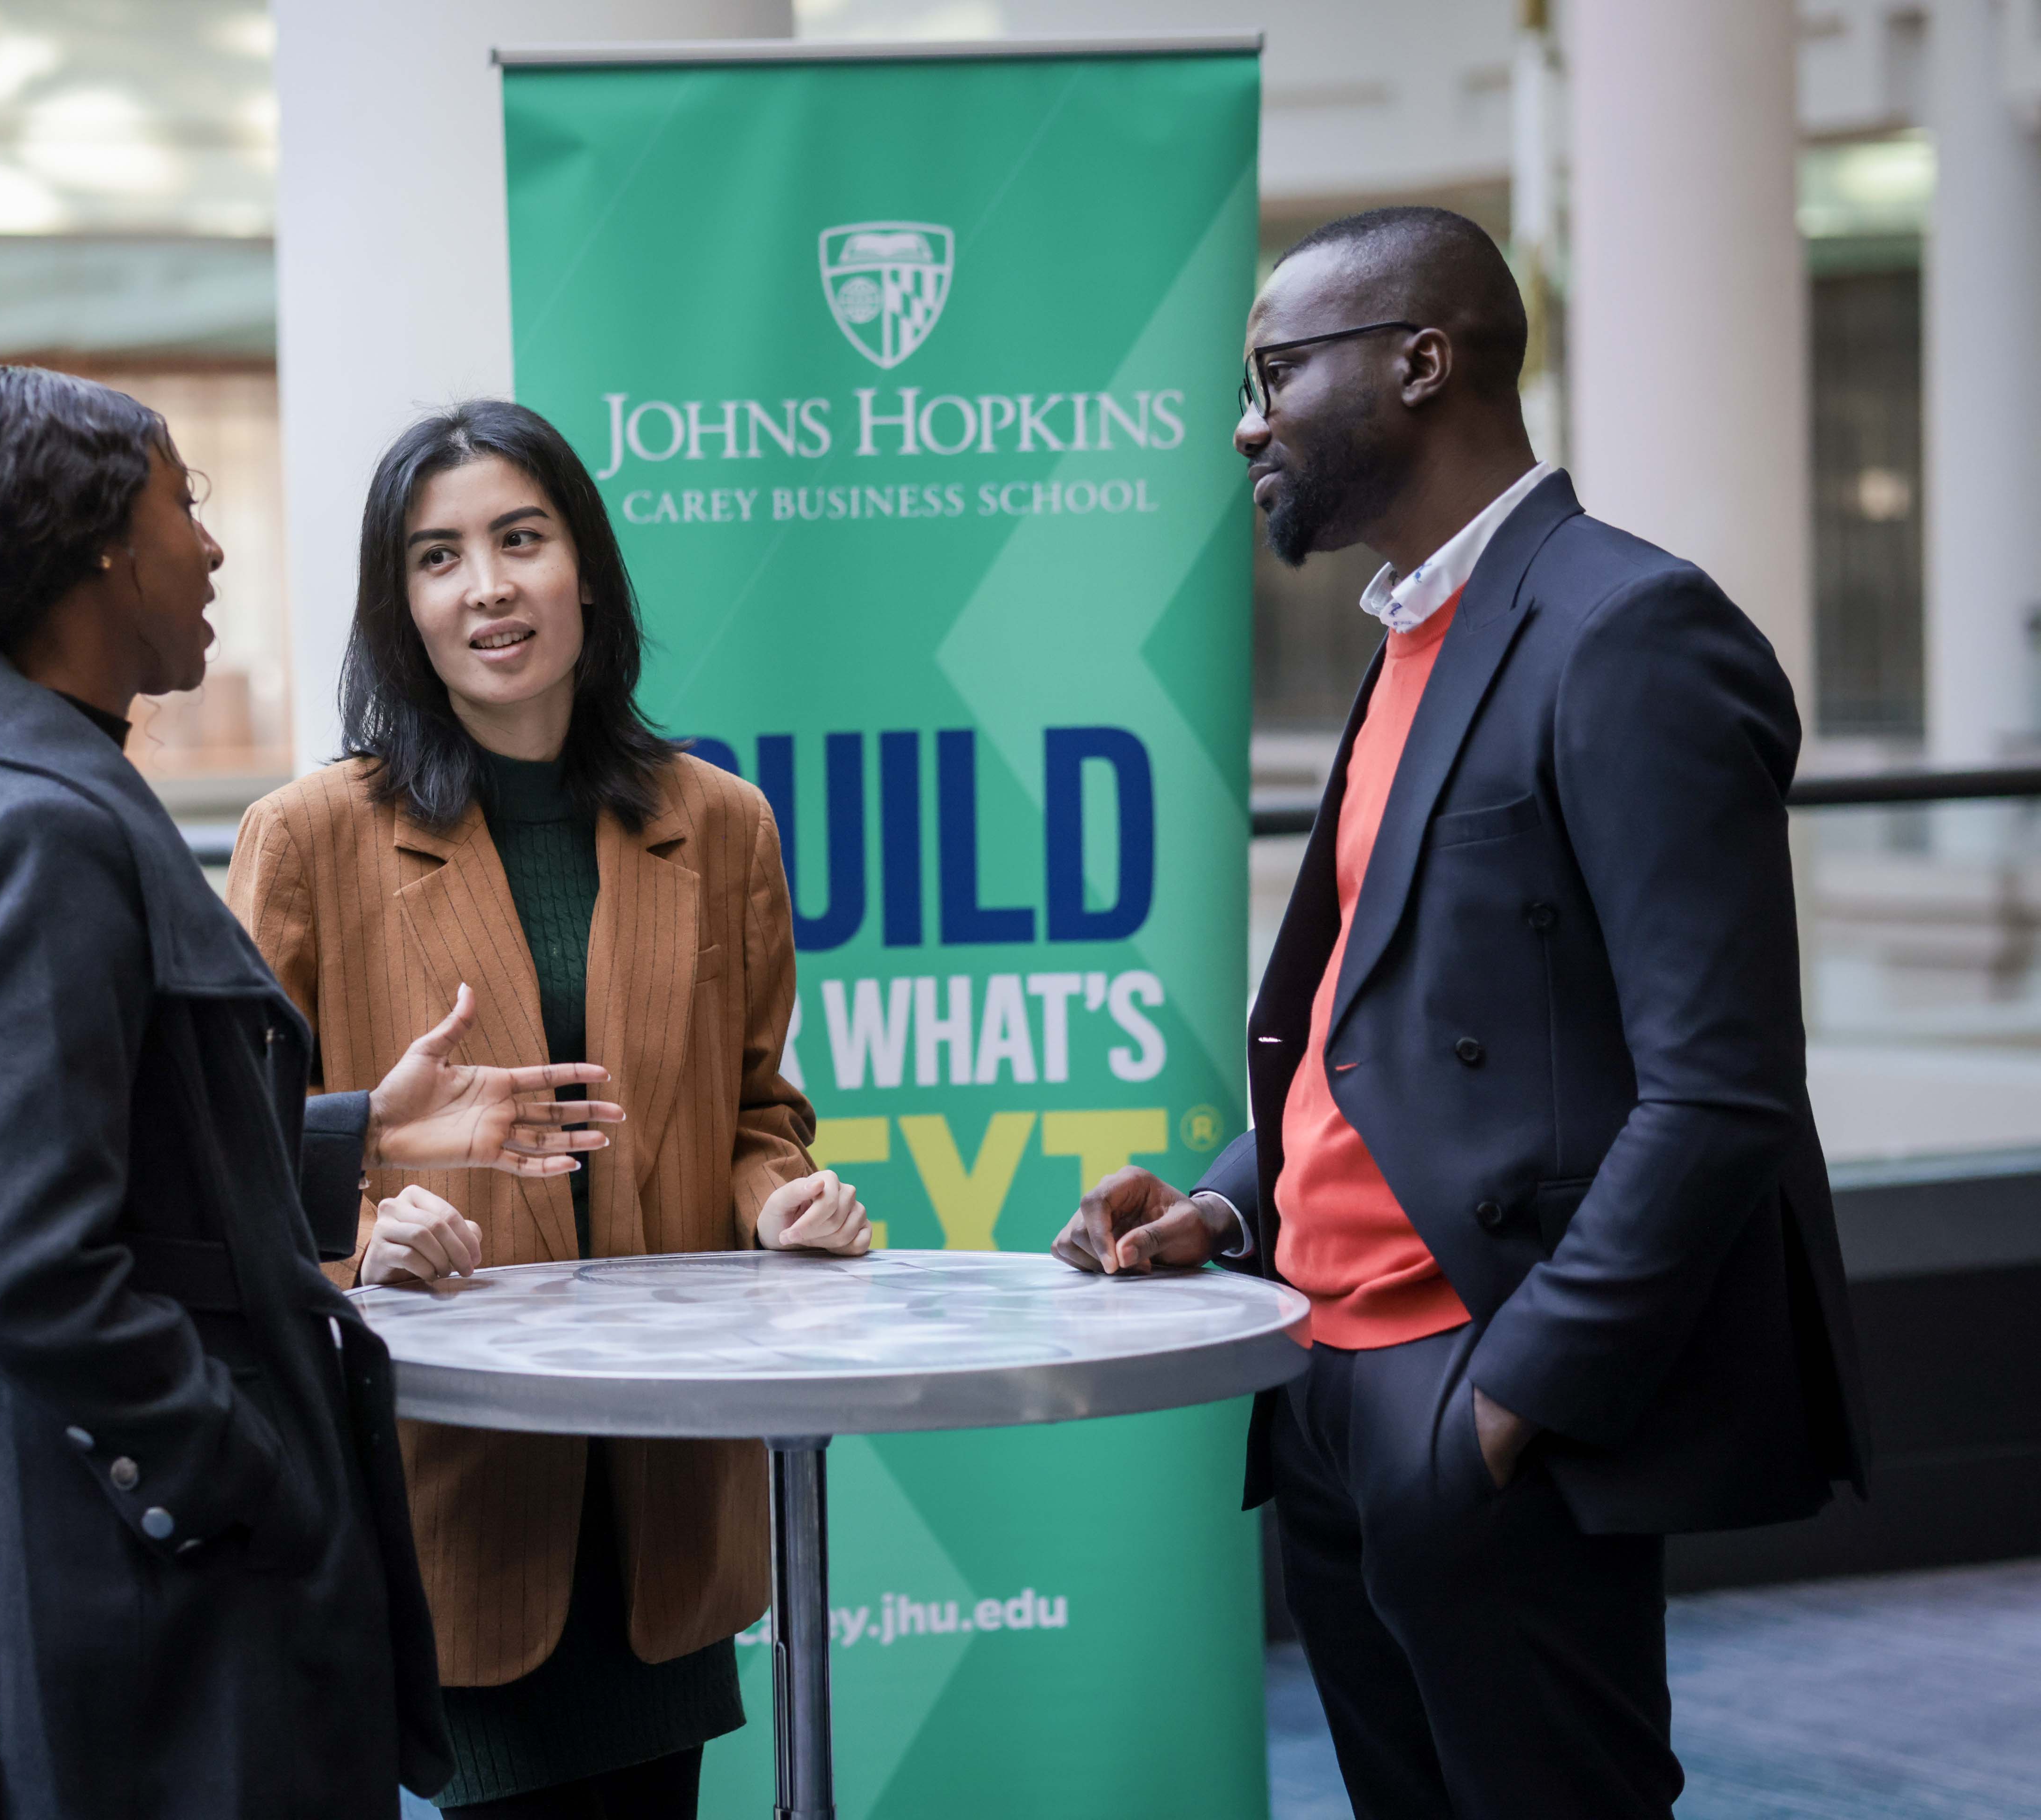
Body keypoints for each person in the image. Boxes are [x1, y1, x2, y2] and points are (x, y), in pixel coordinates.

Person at [1052, 209, 1868, 1819]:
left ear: (1422, 362)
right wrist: (1228, 1203)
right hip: (1331, 1391)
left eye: (1276, 373)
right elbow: (1393, 1018)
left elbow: (1720, 1091)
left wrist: (1510, 1406)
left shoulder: (1631, 630)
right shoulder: (1418, 631)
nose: (1245, 423)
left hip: (1482, 1392)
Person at [0, 367, 619, 1819]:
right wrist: (245, 1471)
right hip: (74, 1526)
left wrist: (372, 1133)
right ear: (97, 547)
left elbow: (98, 1156)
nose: (215, 548)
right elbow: (35, 1268)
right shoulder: (45, 827)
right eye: (188, 504)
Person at [228, 398, 869, 1819]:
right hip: (453, 1478)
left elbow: (760, 1106)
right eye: (437, 557)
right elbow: (228, 1159)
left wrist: (778, 1197)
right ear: (398, 605)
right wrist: (364, 1232)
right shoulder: (310, 837)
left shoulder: (721, 821)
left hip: (663, 1486)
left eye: (521, 540)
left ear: (586, 567)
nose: (488, 587)